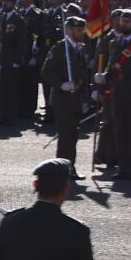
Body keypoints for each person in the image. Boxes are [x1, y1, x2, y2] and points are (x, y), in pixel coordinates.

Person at [41, 15, 91, 167]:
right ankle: (63, 168)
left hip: (76, 98)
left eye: (82, 30)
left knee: (73, 135)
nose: (81, 33)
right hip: (63, 98)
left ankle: (70, 167)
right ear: (68, 30)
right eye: (77, 30)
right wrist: (61, 84)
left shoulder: (81, 48)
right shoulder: (59, 48)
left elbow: (84, 76)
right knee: (65, 136)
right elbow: (46, 72)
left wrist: (86, 99)